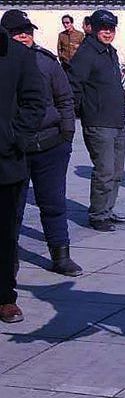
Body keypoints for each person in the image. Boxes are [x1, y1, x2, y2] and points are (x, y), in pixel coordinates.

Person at [1, 10, 82, 277]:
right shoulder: (4, 63)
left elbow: (65, 99)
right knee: (12, 209)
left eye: (28, 31)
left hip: (50, 144)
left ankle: (61, 255)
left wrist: (66, 134)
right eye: (17, 32)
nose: (24, 36)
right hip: (15, 148)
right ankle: (8, 262)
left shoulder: (46, 61)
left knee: (53, 203)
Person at [0, 23, 45, 323]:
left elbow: (35, 102)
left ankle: (5, 297)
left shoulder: (16, 53)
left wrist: (11, 137)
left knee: (3, 235)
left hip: (4, 161)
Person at [67, 9, 125, 232]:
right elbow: (73, 85)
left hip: (116, 120)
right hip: (98, 121)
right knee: (104, 170)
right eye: (103, 28)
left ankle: (107, 210)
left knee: (116, 172)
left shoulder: (110, 52)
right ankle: (98, 215)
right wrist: (78, 113)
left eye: (111, 29)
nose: (108, 32)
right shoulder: (87, 53)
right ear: (93, 29)